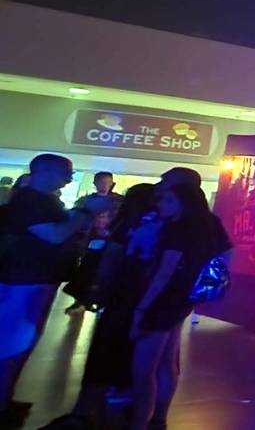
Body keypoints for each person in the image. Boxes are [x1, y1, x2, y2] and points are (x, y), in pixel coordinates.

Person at [0, 155, 114, 428]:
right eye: (66, 172)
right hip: (24, 282)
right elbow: (54, 235)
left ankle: (6, 399)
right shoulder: (31, 201)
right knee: (12, 345)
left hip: (33, 280)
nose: (69, 178)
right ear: (47, 171)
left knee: (19, 344)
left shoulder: (41, 200)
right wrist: (87, 212)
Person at [40, 183, 159, 430]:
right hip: (144, 301)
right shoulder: (163, 227)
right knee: (133, 360)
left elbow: (110, 262)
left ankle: (84, 413)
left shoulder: (125, 226)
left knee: (104, 353)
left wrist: (97, 291)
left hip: (120, 298)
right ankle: (124, 412)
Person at [126, 183, 219, 430]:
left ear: (183, 204)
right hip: (179, 300)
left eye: (167, 200)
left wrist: (141, 308)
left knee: (143, 370)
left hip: (161, 302)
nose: (160, 204)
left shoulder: (176, 231)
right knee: (167, 361)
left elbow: (163, 274)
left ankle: (139, 423)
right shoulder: (201, 229)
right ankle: (159, 418)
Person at [64, 173, 123, 315]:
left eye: (107, 182)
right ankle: (82, 300)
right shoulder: (86, 201)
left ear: (112, 183)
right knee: (86, 270)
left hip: (109, 242)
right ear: (95, 183)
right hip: (89, 241)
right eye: (101, 182)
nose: (104, 185)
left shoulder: (119, 202)